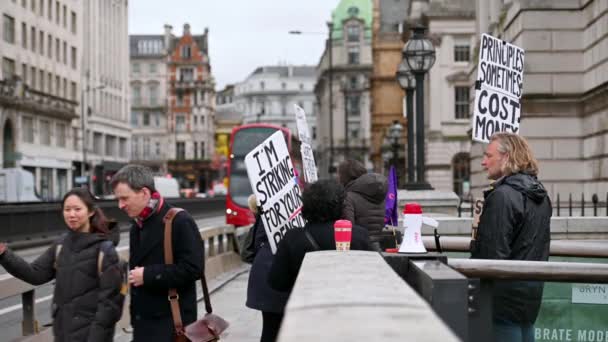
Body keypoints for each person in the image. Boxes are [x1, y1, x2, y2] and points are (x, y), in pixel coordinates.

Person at [0, 187, 123, 341]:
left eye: (77, 209)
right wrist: (4, 254)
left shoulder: (105, 250)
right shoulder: (60, 245)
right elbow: (35, 274)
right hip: (62, 335)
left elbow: (109, 307)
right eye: (67, 209)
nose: (72, 214)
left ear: (91, 212)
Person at [470, 132, 551, 342]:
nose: (483, 162)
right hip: (530, 293)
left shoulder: (502, 196)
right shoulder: (541, 195)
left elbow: (492, 255)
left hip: (502, 300)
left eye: (489, 155)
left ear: (506, 157)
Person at [110, 165, 204, 342]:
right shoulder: (136, 226)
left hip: (171, 326)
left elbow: (194, 268)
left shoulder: (179, 221)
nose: (120, 205)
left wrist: (149, 275)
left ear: (144, 193)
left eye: (124, 198)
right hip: (143, 325)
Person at [268, 179, 373, 294]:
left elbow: (277, 283)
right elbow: (372, 277)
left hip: (306, 305)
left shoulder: (292, 238)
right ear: (341, 205)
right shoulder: (359, 235)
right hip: (348, 303)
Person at [245, 194, 290, 342]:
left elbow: (256, 245)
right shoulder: (279, 215)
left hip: (267, 278)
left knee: (271, 327)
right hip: (273, 278)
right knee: (274, 328)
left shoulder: (265, 216)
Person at [337, 159, 388, 248]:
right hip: (378, 245)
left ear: (344, 176)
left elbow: (348, 227)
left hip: (359, 247)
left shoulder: (348, 196)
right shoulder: (378, 193)